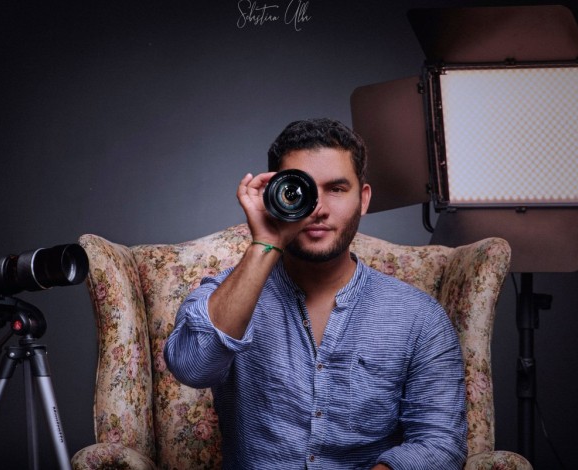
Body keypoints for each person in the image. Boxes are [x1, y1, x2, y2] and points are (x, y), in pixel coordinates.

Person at [164, 118, 467, 469]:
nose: (318, 208)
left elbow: (441, 443)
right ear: (272, 195)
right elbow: (192, 368)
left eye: (336, 189)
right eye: (300, 190)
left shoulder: (419, 317)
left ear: (363, 199)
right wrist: (265, 242)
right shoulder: (226, 294)